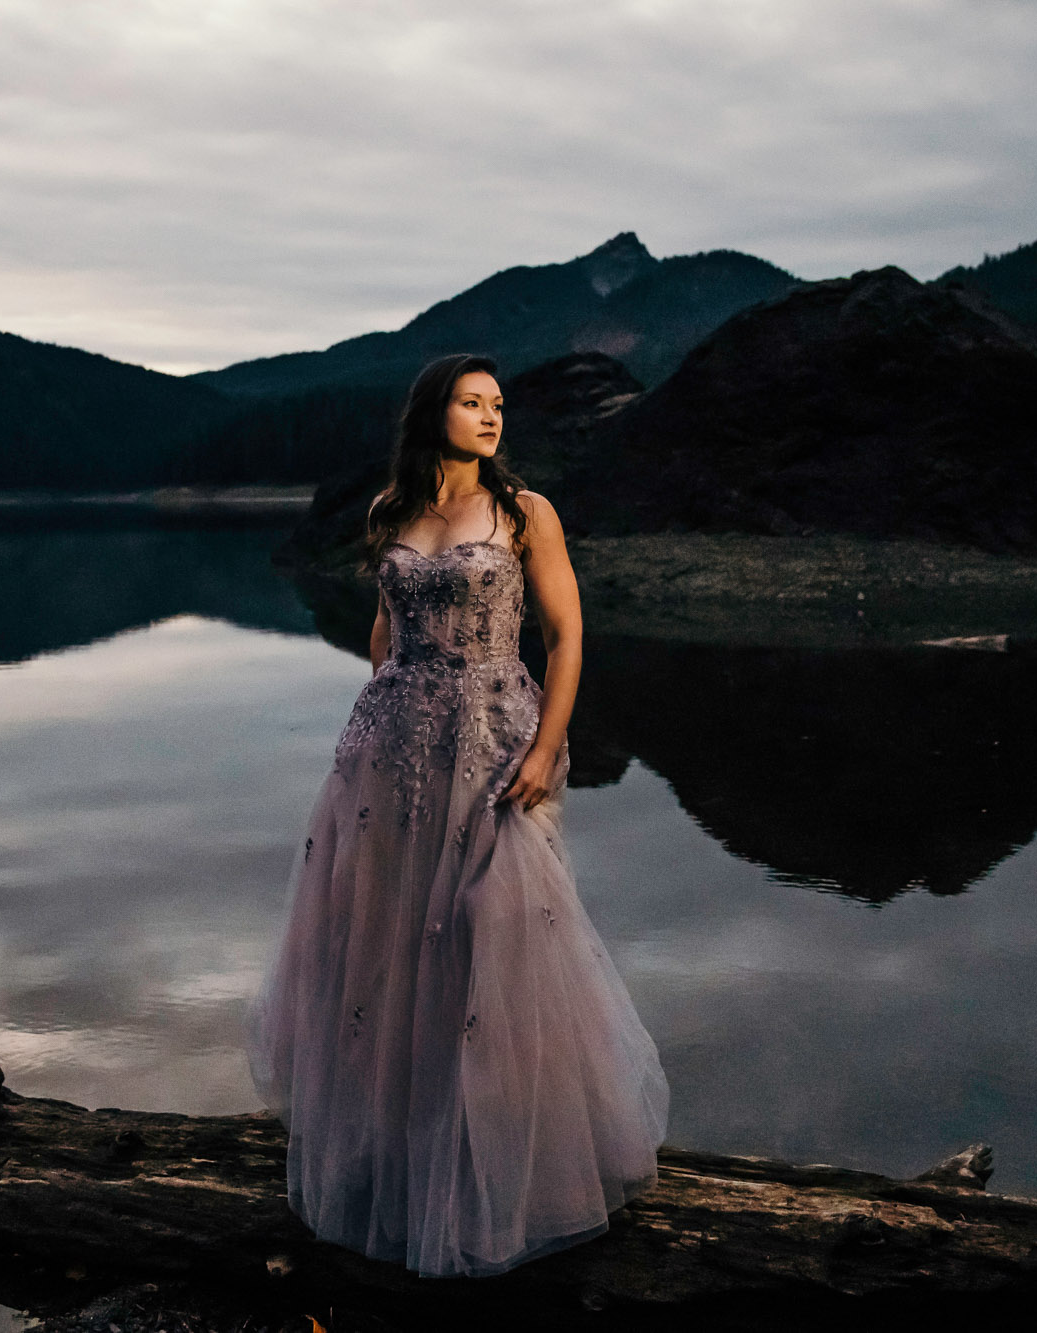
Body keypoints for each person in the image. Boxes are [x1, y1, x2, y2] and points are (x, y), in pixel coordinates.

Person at [246, 352, 670, 1278]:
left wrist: (546, 744)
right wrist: (390, 718)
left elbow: (565, 634)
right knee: (394, 948)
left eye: (498, 405)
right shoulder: (389, 514)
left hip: (495, 745)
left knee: (501, 938)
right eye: (473, 403)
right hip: (396, 757)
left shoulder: (525, 514)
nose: (490, 417)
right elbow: (382, 635)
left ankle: (516, 1168)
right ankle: (402, 1163)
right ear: (433, 410)